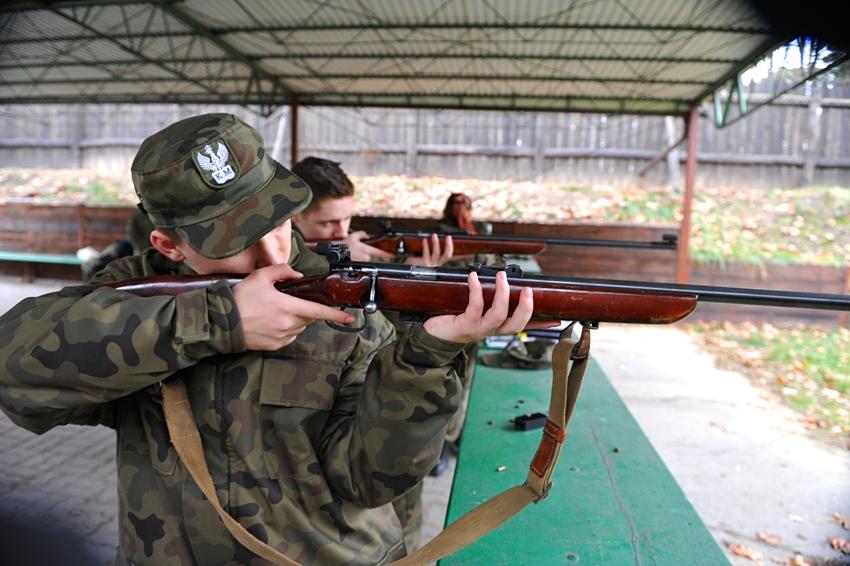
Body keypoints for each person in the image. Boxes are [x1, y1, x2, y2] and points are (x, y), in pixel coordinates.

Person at [0, 113, 535, 565]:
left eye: (278, 223)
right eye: (235, 242)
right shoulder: (135, 291)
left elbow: (371, 480)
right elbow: (14, 369)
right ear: (169, 246)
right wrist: (217, 320)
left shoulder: (341, 298)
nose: (275, 257)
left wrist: (428, 357)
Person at [291, 156, 454, 266]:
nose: (342, 232)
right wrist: (333, 260)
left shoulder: (355, 242)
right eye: (328, 223)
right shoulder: (279, 249)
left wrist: (410, 268)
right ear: (295, 214)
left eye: (346, 218)